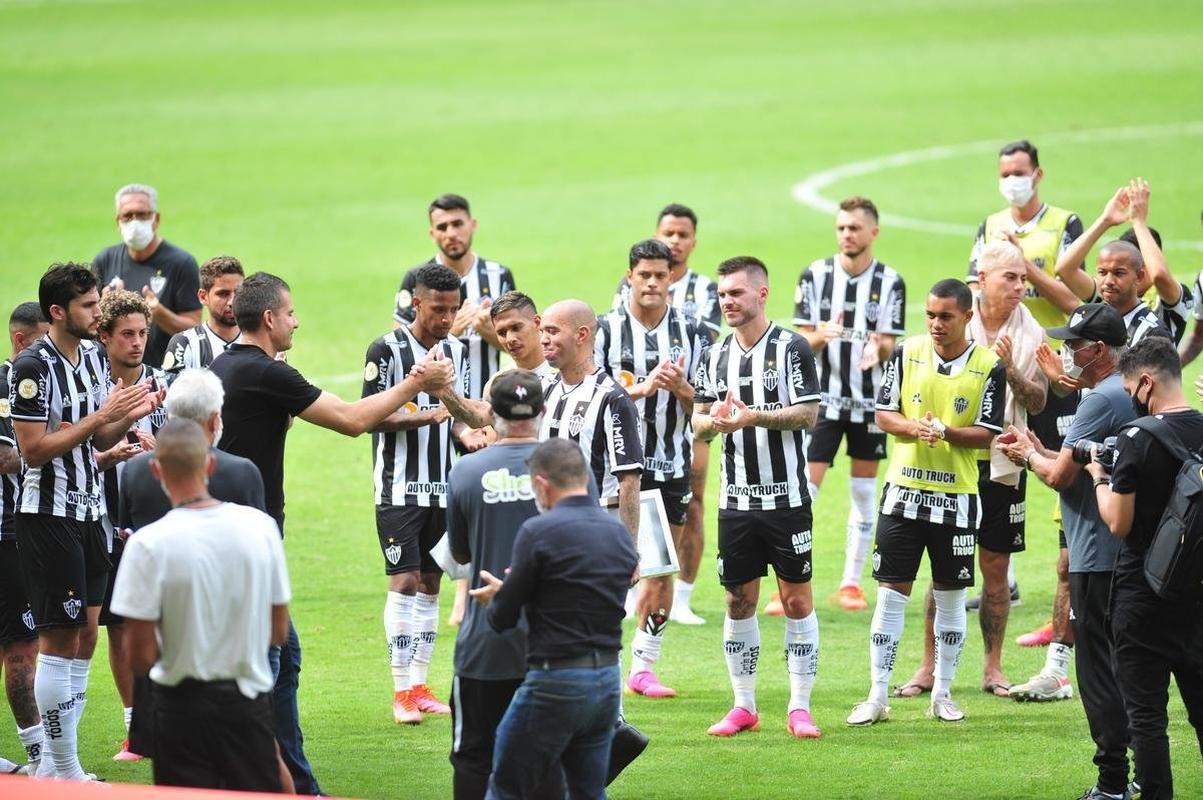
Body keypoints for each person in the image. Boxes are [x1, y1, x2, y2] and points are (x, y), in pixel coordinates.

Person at [211, 271, 454, 794]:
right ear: (271, 318)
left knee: (280, 659)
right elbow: (350, 419)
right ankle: (275, 782)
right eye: (292, 312)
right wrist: (416, 383)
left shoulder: (229, 364)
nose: (298, 320)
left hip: (233, 533)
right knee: (271, 663)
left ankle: (289, 781)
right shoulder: (266, 372)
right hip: (246, 539)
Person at [10, 263, 161, 781]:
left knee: (83, 636)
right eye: (89, 306)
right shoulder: (32, 367)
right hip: (47, 516)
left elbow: (96, 438)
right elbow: (32, 451)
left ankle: (58, 764)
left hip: (90, 511)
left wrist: (133, 411)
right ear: (58, 311)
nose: (99, 313)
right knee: (58, 637)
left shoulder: (94, 357)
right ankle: (60, 767)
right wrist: (100, 417)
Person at [847, 279, 1006, 727]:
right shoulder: (907, 352)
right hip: (903, 493)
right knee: (891, 596)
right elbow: (883, 414)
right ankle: (877, 695)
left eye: (946, 317)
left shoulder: (988, 365)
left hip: (956, 498)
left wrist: (948, 433)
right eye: (931, 315)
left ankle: (943, 692)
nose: (936, 324)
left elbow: (989, 432)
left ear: (967, 317)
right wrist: (916, 428)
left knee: (951, 598)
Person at [892, 243, 1046, 700]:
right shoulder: (952, 317)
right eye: (1011, 277)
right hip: (946, 465)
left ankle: (993, 668)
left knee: (996, 567)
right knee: (940, 567)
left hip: (1001, 465)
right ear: (982, 278)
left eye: (1023, 278)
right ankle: (927, 666)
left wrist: (1012, 369)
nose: (1021, 286)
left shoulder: (1030, 329)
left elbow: (1037, 401)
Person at [998, 303, 1135, 800]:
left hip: (1096, 555)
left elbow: (1059, 476)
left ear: (1098, 349)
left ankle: (1112, 782)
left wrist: (1027, 454)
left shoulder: (1098, 401)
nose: (1065, 353)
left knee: (1097, 672)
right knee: (1130, 668)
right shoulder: (1129, 390)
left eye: (1073, 345)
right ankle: (1140, 773)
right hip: (1127, 552)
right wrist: (1044, 446)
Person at [110, 418, 289, 791]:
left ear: (156, 469)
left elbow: (139, 656)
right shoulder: (260, 528)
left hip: (179, 711)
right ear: (209, 464)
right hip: (247, 703)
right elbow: (278, 631)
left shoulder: (147, 545)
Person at [692, 256, 823, 739]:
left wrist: (754, 417)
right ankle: (743, 705)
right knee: (738, 601)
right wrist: (716, 422)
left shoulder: (792, 348)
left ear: (762, 294)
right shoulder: (715, 354)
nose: (727, 302)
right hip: (736, 501)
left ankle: (799, 706)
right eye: (723, 294)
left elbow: (808, 415)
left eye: (736, 294)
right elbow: (698, 423)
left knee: (795, 600)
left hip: (787, 499)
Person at [468, 438, 638, 800]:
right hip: (606, 683)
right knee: (588, 791)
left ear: (542, 484)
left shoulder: (538, 531)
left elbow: (501, 619)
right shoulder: (619, 533)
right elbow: (590, 598)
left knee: (505, 788)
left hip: (555, 682)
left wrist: (504, 593)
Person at [1090, 336, 1203, 800]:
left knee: (1148, 719)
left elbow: (1119, 521)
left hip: (1143, 597)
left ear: (1145, 382)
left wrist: (1099, 478)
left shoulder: (1135, 439)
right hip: (1197, 596)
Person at [446, 369, 564, 800]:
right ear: (543, 409)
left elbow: (459, 555)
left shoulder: (466, 471)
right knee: (549, 757)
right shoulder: (569, 466)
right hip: (553, 644)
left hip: (485, 645)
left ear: (490, 414)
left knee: (475, 757)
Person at [596, 239, 705, 698]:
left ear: (672, 279)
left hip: (670, 463)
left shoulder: (694, 332)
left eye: (662, 275)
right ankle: (603, 661)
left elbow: (707, 402)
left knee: (662, 569)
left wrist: (683, 388)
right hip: (615, 468)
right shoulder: (604, 330)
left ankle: (643, 666)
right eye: (645, 275)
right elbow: (593, 391)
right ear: (630, 277)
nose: (654, 283)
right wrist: (639, 390)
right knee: (609, 568)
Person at [364, 263, 472, 724]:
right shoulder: (385, 349)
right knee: (404, 580)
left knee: (431, 583)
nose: (446, 318)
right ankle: (400, 690)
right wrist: (422, 416)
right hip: (398, 488)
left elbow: (459, 415)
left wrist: (469, 430)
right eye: (437, 309)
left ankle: (422, 684)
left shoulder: (457, 352)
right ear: (416, 302)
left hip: (442, 487)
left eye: (453, 309)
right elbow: (369, 414)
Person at [793, 196, 906, 612]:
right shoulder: (815, 276)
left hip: (868, 405)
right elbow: (802, 341)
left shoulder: (890, 281)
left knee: (863, 491)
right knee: (804, 490)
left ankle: (851, 583)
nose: (846, 235)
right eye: (841, 228)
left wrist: (880, 349)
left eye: (855, 228)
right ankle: (791, 577)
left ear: (873, 232)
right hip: (821, 404)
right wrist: (826, 335)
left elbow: (890, 340)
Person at [94, 290, 169, 761]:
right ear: (104, 337)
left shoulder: (164, 385)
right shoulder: (92, 387)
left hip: (159, 522)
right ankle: (134, 727)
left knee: (169, 621)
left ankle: (172, 716)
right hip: (104, 521)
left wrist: (157, 448)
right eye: (127, 334)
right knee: (119, 626)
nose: (137, 342)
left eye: (143, 333)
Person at [394, 194, 516, 400]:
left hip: (484, 402)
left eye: (457, 224)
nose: (451, 233)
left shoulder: (499, 275)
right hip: (432, 404)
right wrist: (450, 331)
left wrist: (491, 332)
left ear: (472, 225)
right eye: (442, 227)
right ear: (432, 234)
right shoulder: (416, 279)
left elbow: (520, 345)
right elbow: (400, 350)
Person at [538, 299, 644, 535]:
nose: (543, 339)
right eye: (542, 331)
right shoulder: (544, 388)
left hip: (592, 532)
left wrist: (629, 550)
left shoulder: (613, 398)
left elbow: (629, 481)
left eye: (553, 331)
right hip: (547, 529)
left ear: (581, 334)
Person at [1054, 180, 1192, 345]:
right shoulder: (1110, 295)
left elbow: (1159, 276)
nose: (1109, 280)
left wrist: (1139, 222)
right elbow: (1064, 269)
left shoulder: (1169, 300)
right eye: (1104, 272)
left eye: (1120, 272)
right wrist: (1105, 221)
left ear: (1142, 270)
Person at [0, 302, 48, 775]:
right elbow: (5, 458)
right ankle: (40, 754)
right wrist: (49, 442)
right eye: (41, 341)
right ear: (20, 340)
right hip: (8, 531)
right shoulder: (5, 385)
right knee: (23, 645)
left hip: (20, 527)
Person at [92, 183, 202, 367]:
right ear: (118, 222)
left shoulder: (182, 263)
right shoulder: (105, 260)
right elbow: (87, 325)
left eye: (142, 215)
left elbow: (194, 330)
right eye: (127, 216)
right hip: (115, 374)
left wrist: (158, 313)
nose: (134, 222)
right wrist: (104, 307)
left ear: (156, 219)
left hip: (167, 372)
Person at [162, 255, 245, 374]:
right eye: (223, 294)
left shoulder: (260, 340)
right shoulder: (184, 344)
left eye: (238, 292)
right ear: (203, 296)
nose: (232, 301)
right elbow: (172, 390)